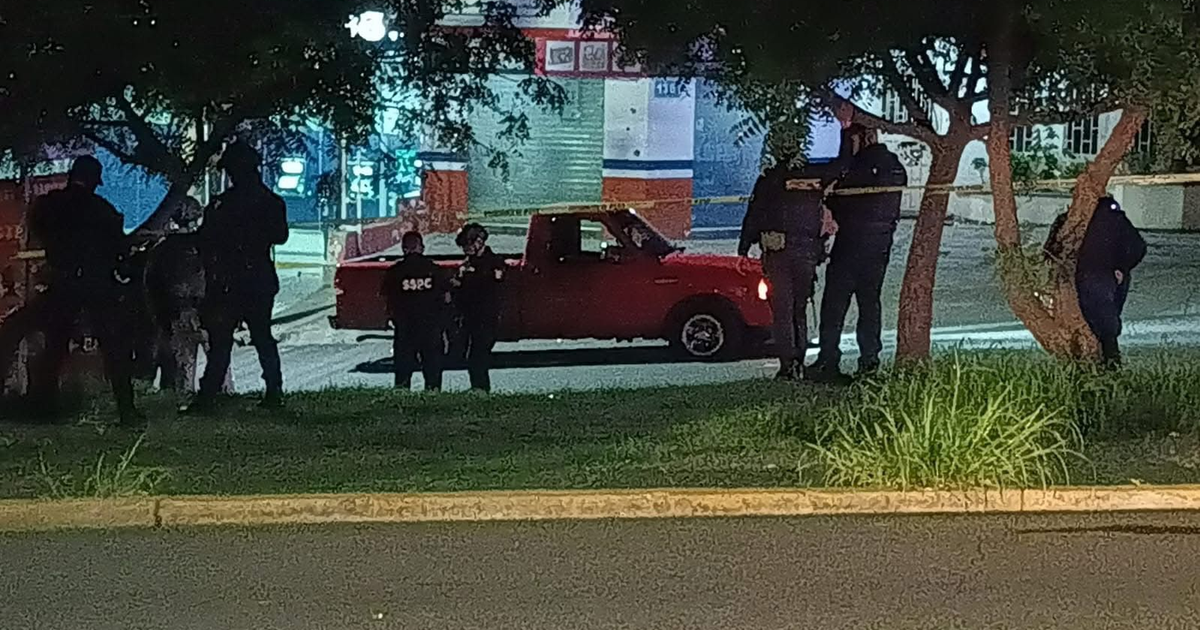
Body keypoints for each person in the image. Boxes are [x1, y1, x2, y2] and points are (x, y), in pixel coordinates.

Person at [26, 156, 143, 424]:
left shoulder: (49, 205)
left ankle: (43, 410)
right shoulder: (102, 209)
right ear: (93, 181)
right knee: (113, 347)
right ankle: (127, 410)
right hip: (96, 283)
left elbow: (38, 229)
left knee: (55, 346)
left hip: (62, 281)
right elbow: (119, 250)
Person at [188, 141, 289, 411]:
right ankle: (274, 391)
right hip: (258, 278)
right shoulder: (271, 202)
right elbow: (280, 236)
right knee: (262, 336)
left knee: (221, 341)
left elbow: (204, 241)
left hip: (228, 281)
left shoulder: (222, 205)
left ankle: (208, 396)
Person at [808, 124, 908, 381]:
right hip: (880, 246)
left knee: (834, 305)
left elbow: (838, 199)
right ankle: (869, 362)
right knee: (870, 305)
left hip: (851, 244)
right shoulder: (895, 166)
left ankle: (828, 360)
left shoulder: (857, 167)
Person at [739, 151, 840, 380]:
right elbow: (839, 169)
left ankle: (787, 365)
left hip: (779, 252)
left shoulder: (770, 178)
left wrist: (743, 248)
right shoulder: (815, 177)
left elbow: (754, 214)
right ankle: (800, 361)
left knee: (782, 311)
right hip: (807, 251)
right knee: (799, 308)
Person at [1045, 196, 1147, 366]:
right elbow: (1138, 247)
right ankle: (1109, 363)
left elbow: (1049, 251)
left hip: (1076, 279)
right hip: (1103, 279)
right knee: (1106, 327)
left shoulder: (1068, 220)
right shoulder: (1114, 218)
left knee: (1093, 322)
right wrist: (1121, 267)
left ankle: (1089, 363)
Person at [381, 231, 449, 391]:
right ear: (421, 247)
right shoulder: (435, 270)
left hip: (405, 329)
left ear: (403, 248)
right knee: (432, 371)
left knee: (403, 373)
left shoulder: (394, 273)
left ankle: (402, 404)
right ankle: (432, 400)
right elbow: (446, 299)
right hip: (430, 327)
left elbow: (387, 299)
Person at [453, 223, 505, 392]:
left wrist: (469, 279)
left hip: (486, 317)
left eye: (467, 245)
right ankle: (478, 388)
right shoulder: (466, 264)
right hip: (469, 316)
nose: (465, 250)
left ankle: (481, 389)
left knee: (478, 357)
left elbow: (493, 285)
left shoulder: (495, 263)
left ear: (479, 242)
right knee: (471, 356)